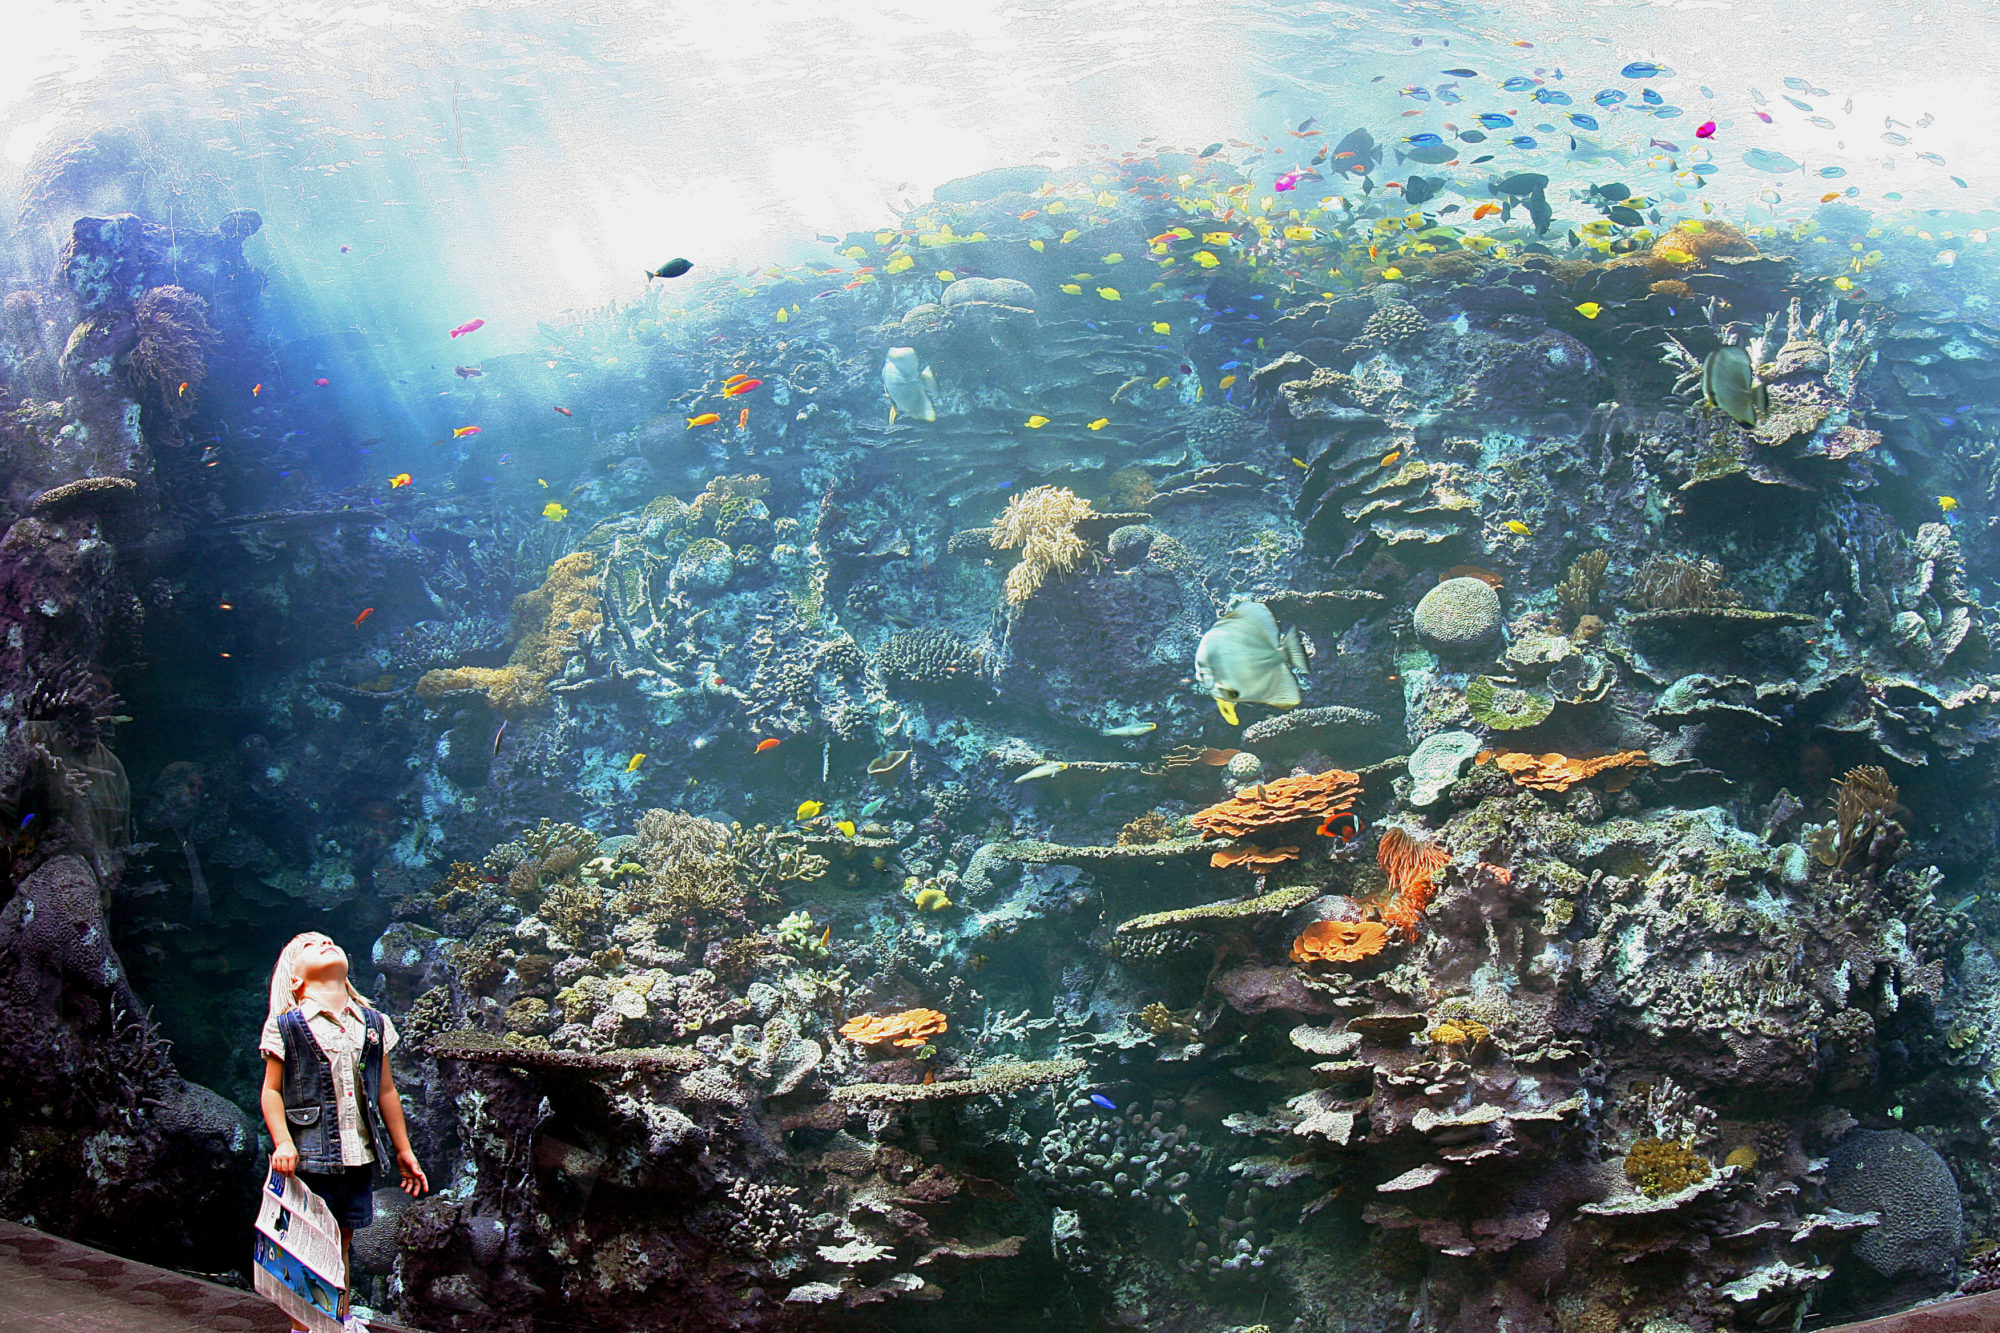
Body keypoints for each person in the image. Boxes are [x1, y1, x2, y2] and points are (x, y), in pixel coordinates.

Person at [259, 933, 428, 1333]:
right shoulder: (287, 1026)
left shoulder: (373, 1023)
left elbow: (386, 1090)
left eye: (329, 941)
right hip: (309, 1156)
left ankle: (338, 1318)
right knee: (308, 1241)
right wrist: (283, 1141)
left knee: (343, 1241)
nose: (324, 944)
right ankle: (304, 1325)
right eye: (310, 947)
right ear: (294, 979)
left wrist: (403, 1150)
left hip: (358, 1156)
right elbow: (270, 1091)